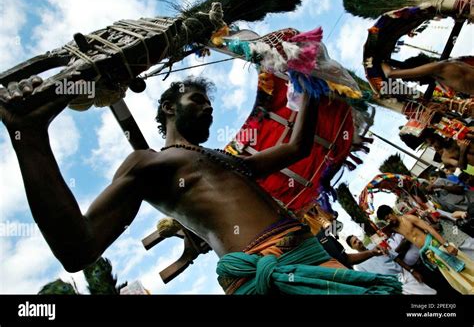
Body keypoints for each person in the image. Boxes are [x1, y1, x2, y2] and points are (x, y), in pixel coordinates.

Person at [0, 75, 402, 295]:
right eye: (197, 100)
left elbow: (297, 147)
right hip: (274, 276)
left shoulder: (228, 160)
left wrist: (309, 83)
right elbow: (77, 247)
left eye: (209, 104)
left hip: (311, 256)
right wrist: (30, 140)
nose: (209, 107)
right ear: (169, 108)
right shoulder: (150, 163)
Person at [377, 205, 474, 294]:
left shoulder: (409, 218)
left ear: (392, 212)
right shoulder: (395, 229)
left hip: (437, 246)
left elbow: (430, 229)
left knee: (463, 266)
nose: (388, 220)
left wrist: (446, 245)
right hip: (429, 254)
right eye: (386, 220)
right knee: (453, 275)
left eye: (388, 217)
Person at [346, 235, 436, 295]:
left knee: (430, 293)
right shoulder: (358, 265)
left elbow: (395, 258)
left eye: (357, 239)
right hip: (396, 286)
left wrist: (412, 271)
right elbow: (372, 282)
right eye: (354, 242)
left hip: (405, 275)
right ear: (352, 247)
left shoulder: (374, 246)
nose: (358, 241)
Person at [381, 59, 474, 96]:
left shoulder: (438, 68)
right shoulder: (448, 66)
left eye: (415, 79)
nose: (419, 82)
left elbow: (390, 74)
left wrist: (379, 61)